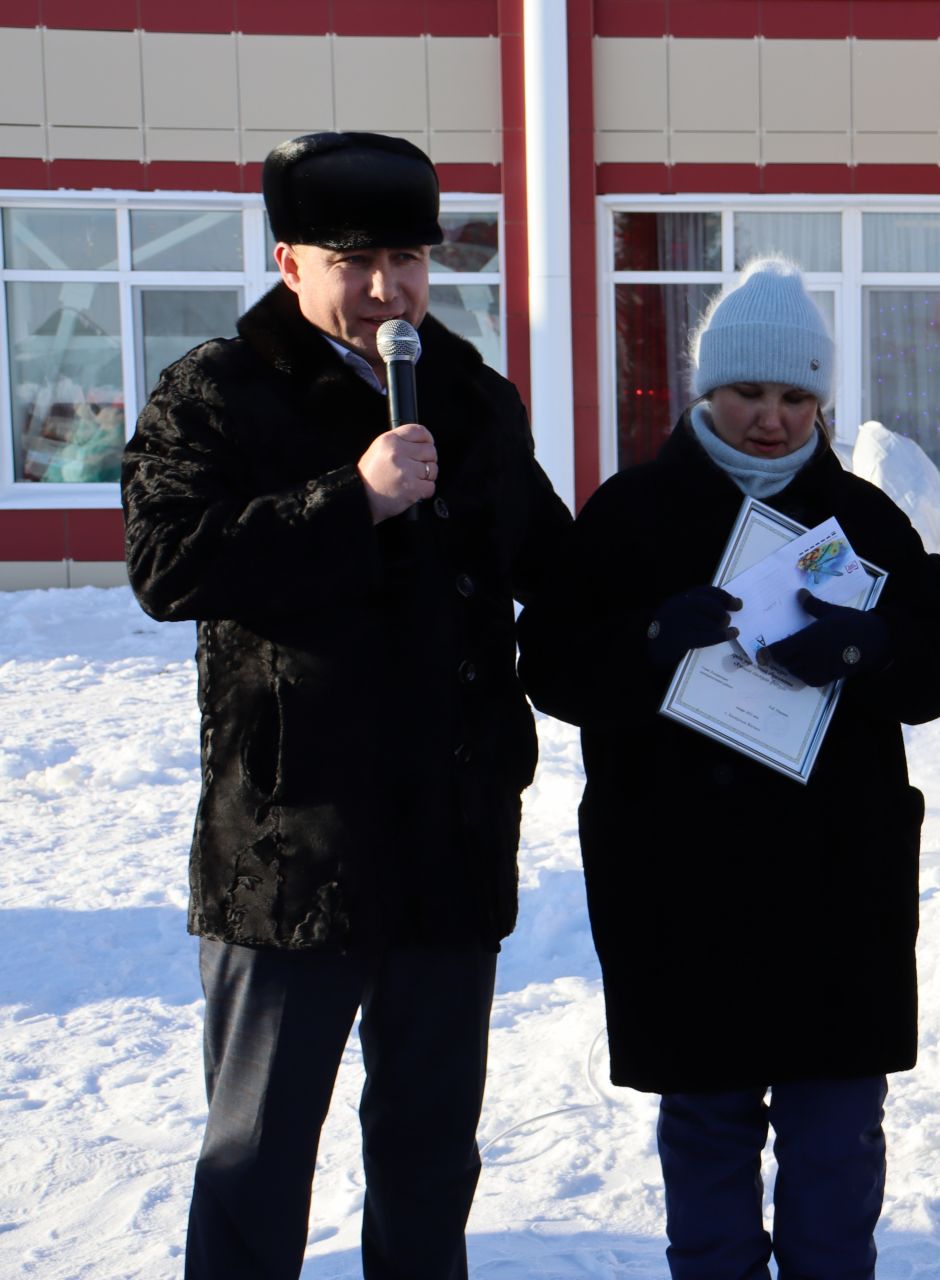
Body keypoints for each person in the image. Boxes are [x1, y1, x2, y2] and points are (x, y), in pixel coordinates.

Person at [121, 131, 572, 1278]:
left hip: (449, 839)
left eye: (411, 258)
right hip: (294, 843)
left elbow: (556, 563)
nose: (389, 288)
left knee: (429, 1151)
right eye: (355, 259)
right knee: (258, 1149)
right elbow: (166, 564)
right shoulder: (218, 389)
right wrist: (349, 501)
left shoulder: (469, 392)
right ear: (289, 260)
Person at [515, 258, 940, 1280]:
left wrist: (868, 646)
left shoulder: (861, 518)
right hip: (681, 885)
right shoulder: (630, 514)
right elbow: (547, 665)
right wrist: (646, 637)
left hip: (833, 888)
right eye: (749, 393)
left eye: (795, 396)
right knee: (708, 1140)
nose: (772, 419)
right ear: (705, 390)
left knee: (835, 1146)